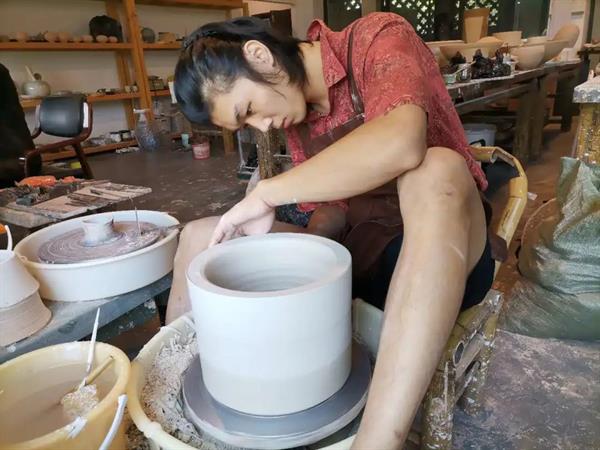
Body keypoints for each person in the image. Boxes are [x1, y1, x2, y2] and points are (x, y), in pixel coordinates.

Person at [168, 12, 495, 448]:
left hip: (446, 250)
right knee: (201, 236)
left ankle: (378, 441)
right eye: (245, 126)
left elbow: (402, 142)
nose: (262, 127)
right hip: (364, 257)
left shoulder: (378, 37)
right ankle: (176, 407)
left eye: (248, 111)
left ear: (260, 55)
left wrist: (268, 193)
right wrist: (294, 270)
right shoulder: (295, 113)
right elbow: (334, 212)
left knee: (436, 168)